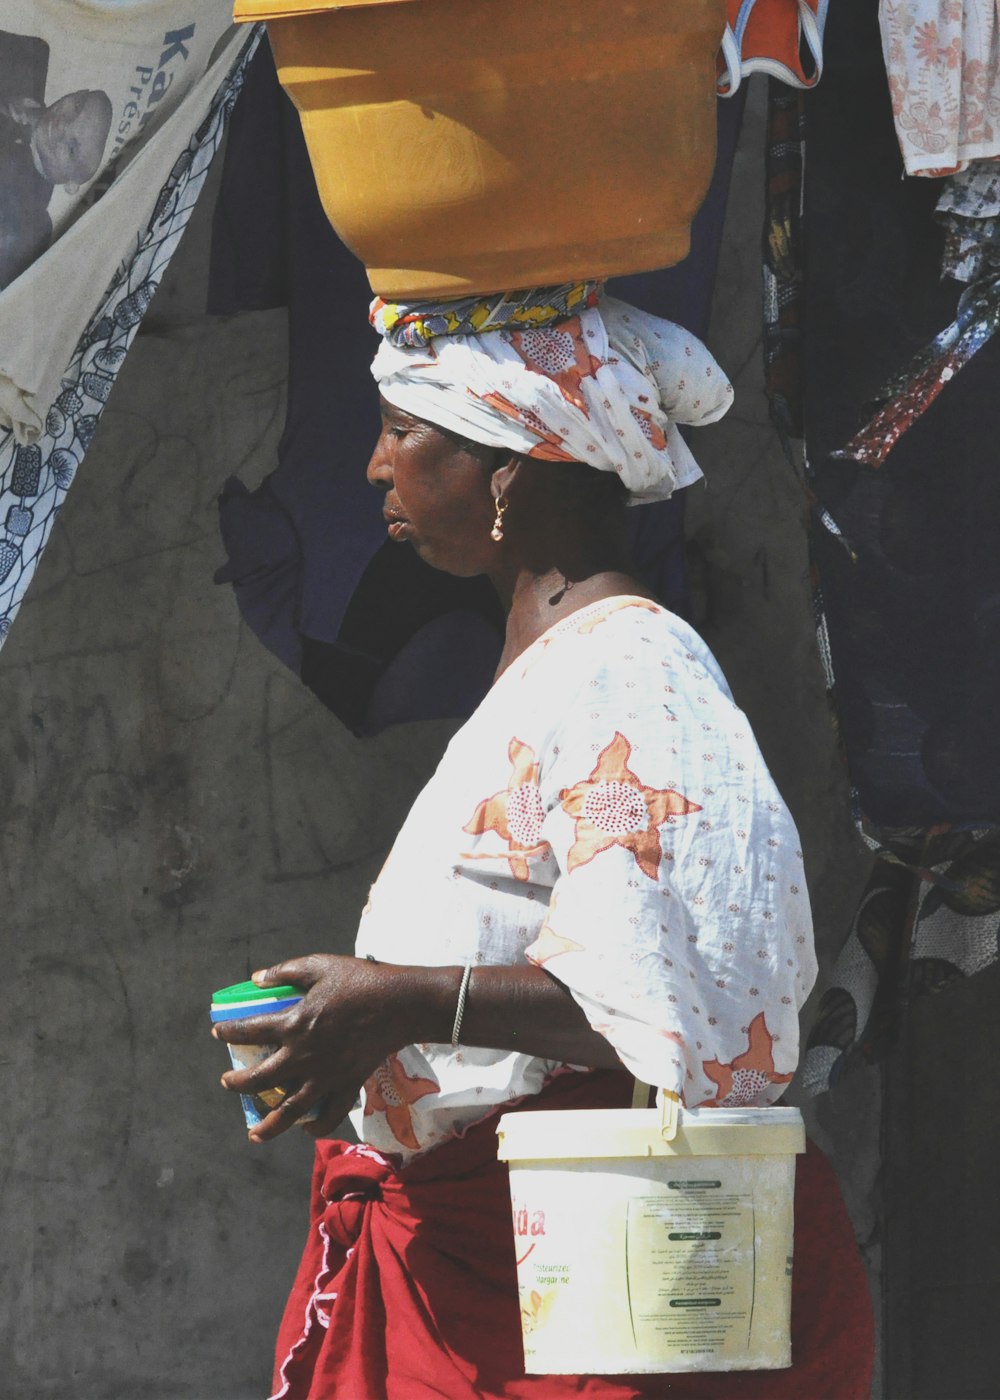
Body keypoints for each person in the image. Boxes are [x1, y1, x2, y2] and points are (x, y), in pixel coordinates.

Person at [214, 286, 874, 1399]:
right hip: (479, 1282)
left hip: (591, 1294)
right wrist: (367, 1038)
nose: (377, 467)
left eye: (404, 429)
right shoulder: (553, 675)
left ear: (511, 466)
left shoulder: (639, 679)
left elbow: (691, 1011)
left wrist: (405, 1001)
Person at [0, 83, 111, 288]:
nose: (62, 123)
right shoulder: (28, 64)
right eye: (76, 107)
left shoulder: (28, 227)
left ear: (71, 186)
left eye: (71, 148)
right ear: (78, 91)